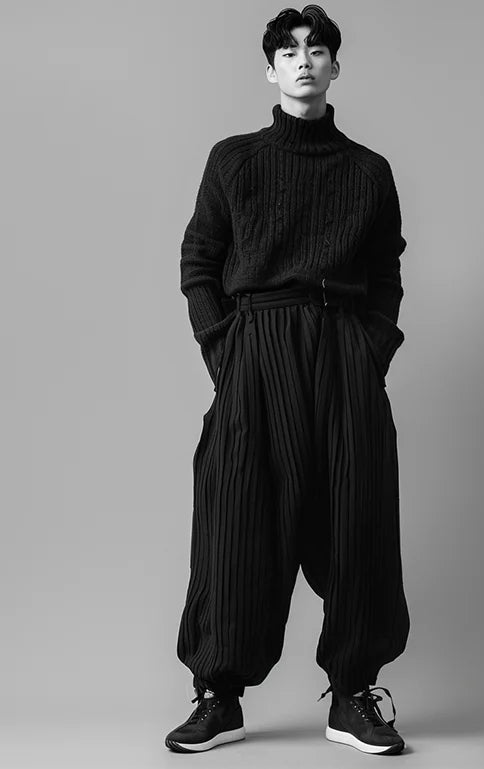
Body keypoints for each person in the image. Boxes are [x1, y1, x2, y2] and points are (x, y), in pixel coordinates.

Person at [166, 5, 409, 756]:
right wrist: (225, 350)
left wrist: (369, 351)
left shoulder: (369, 171)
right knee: (237, 519)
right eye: (289, 51)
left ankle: (351, 693)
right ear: (269, 69)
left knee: (355, 520)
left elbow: (387, 274)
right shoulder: (232, 160)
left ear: (336, 67)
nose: (304, 61)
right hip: (256, 346)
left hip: (342, 349)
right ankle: (220, 692)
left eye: (318, 49)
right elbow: (199, 263)